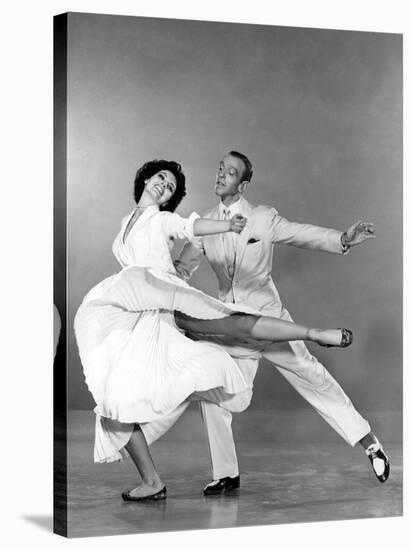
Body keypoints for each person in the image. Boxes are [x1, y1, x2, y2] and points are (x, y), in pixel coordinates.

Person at [74, 159, 354, 501]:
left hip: (164, 303)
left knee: (230, 319)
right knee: (112, 404)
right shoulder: (124, 224)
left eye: (172, 187)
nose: (165, 185)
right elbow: (179, 261)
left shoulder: (163, 219)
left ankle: (314, 334)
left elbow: (191, 227)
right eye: (161, 178)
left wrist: (225, 227)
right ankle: (152, 482)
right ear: (146, 178)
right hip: (136, 310)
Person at [139, 151, 390, 496]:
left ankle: (370, 444)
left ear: (242, 184)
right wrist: (151, 279)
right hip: (229, 325)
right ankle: (226, 473)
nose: (221, 175)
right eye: (219, 169)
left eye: (230, 172)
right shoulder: (206, 223)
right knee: (213, 388)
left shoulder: (263, 218)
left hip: (270, 320)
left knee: (314, 378)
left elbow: (301, 234)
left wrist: (342, 240)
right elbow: (182, 270)